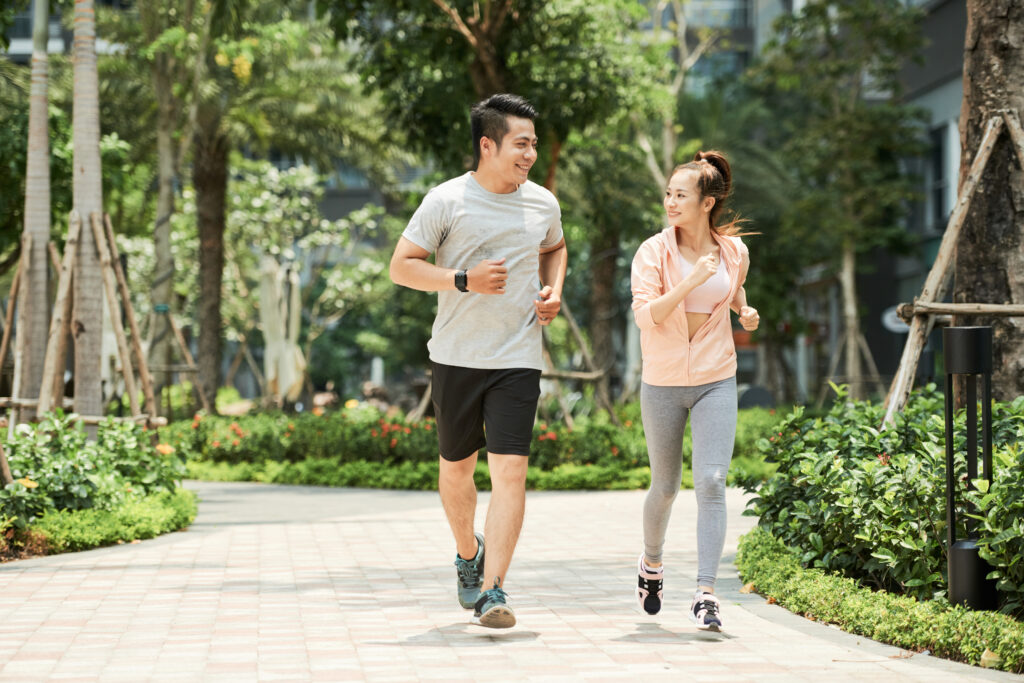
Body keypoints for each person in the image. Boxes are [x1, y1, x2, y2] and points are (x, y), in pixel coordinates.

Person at [389, 93, 567, 629]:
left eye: (533, 144)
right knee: (456, 470)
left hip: (517, 357)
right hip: (456, 357)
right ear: (487, 145)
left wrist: (553, 290)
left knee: (511, 471)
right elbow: (401, 267)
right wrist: (462, 279)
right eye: (521, 144)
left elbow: (555, 248)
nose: (530, 154)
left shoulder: (543, 203)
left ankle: (494, 591)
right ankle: (469, 553)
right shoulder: (446, 201)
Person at [629, 150, 759, 631]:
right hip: (662, 381)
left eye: (680, 195)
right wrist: (691, 281)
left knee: (711, 482)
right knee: (664, 487)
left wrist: (743, 311)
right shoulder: (653, 252)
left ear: (708, 202)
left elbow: (733, 288)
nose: (670, 201)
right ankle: (652, 564)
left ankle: (706, 593)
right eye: (668, 193)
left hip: (716, 378)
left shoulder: (734, 252)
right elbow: (647, 316)